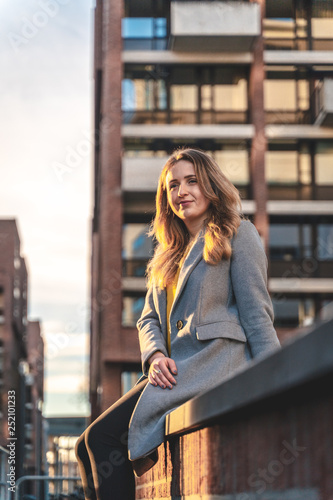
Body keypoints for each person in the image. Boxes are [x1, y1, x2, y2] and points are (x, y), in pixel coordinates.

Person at [75, 148, 281, 499]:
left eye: (191, 181)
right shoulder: (166, 254)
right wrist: (154, 355)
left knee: (102, 438)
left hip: (212, 365)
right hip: (170, 371)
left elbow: (257, 315)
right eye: (172, 186)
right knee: (83, 445)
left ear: (211, 184)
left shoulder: (238, 234)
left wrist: (277, 381)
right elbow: (148, 318)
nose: (181, 191)